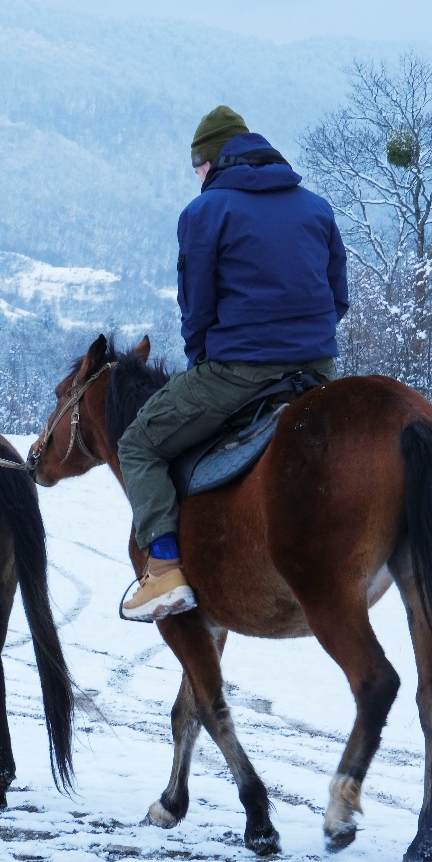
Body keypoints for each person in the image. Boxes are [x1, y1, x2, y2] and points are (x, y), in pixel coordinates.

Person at [116, 105, 349, 623]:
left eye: (196, 163)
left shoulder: (206, 211)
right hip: (316, 369)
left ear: (212, 157)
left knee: (138, 443)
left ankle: (163, 570)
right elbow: (338, 297)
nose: (197, 175)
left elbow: (196, 305)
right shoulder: (316, 207)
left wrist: (203, 360)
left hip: (239, 369)